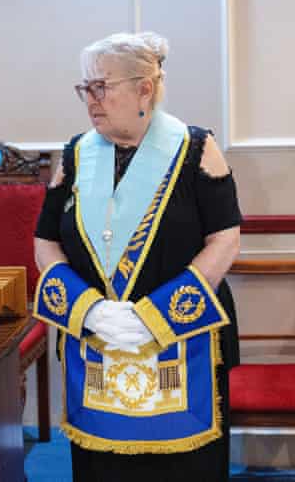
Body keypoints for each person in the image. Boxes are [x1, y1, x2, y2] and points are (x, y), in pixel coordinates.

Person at [32, 31, 241, 482]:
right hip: (97, 349)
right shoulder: (75, 155)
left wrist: (155, 316)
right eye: (85, 88)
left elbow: (225, 239)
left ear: (145, 88)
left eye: (101, 87)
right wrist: (91, 311)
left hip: (179, 347)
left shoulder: (196, 148)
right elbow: (45, 242)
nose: (91, 99)